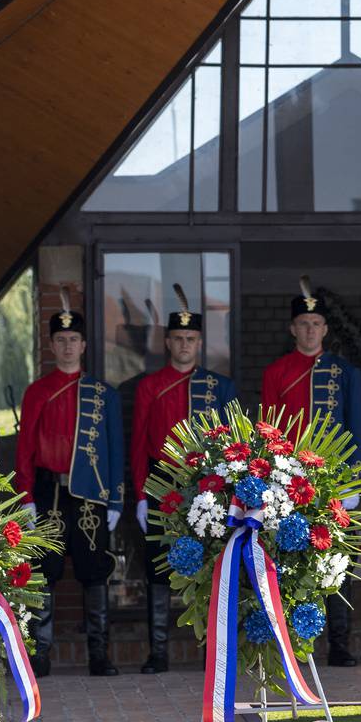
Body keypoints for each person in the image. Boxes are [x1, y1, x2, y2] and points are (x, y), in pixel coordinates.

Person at [129, 284, 237, 673]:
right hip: (162, 481)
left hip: (208, 484)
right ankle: (158, 653)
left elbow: (232, 445)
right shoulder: (150, 386)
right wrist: (142, 494)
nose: (185, 345)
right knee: (159, 567)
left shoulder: (220, 386)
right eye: (178, 338)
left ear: (200, 341)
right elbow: (139, 442)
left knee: (210, 566)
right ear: (168, 341)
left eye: (191, 338)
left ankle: (212, 653)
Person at [16, 303, 126, 677]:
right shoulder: (37, 392)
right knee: (43, 570)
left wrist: (115, 498)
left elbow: (115, 449)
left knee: (94, 571)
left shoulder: (102, 394)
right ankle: (40, 652)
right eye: (60, 339)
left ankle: (99, 653)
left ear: (83, 346)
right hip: (48, 490)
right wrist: (26, 496)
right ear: (51, 344)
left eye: (73, 339)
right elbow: (25, 448)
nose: (67, 346)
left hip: (89, 494)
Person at [261, 276, 361, 667]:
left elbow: (356, 429)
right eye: (303, 324)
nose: (310, 330)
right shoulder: (276, 372)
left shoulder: (346, 372)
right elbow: (267, 430)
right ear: (293, 328)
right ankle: (295, 644)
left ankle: (339, 643)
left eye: (316, 324)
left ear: (325, 328)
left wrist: (356, 480)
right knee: (290, 560)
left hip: (334, 480)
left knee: (337, 561)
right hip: (288, 480)